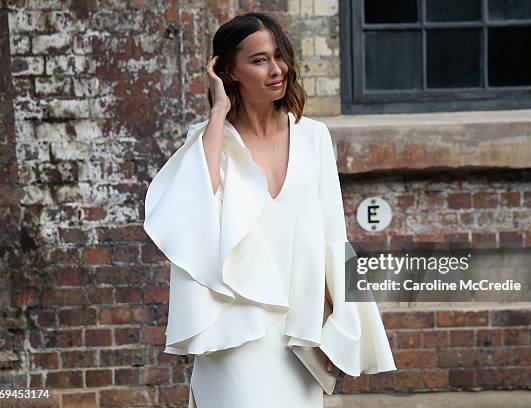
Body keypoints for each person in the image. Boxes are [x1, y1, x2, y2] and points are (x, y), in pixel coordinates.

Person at [143, 11, 396, 408]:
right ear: (230, 71)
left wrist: (345, 323)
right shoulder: (209, 140)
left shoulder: (313, 137)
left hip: (300, 332)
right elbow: (194, 213)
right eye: (259, 60)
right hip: (235, 329)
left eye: (280, 56)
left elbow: (335, 237)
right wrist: (217, 113)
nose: (276, 69)